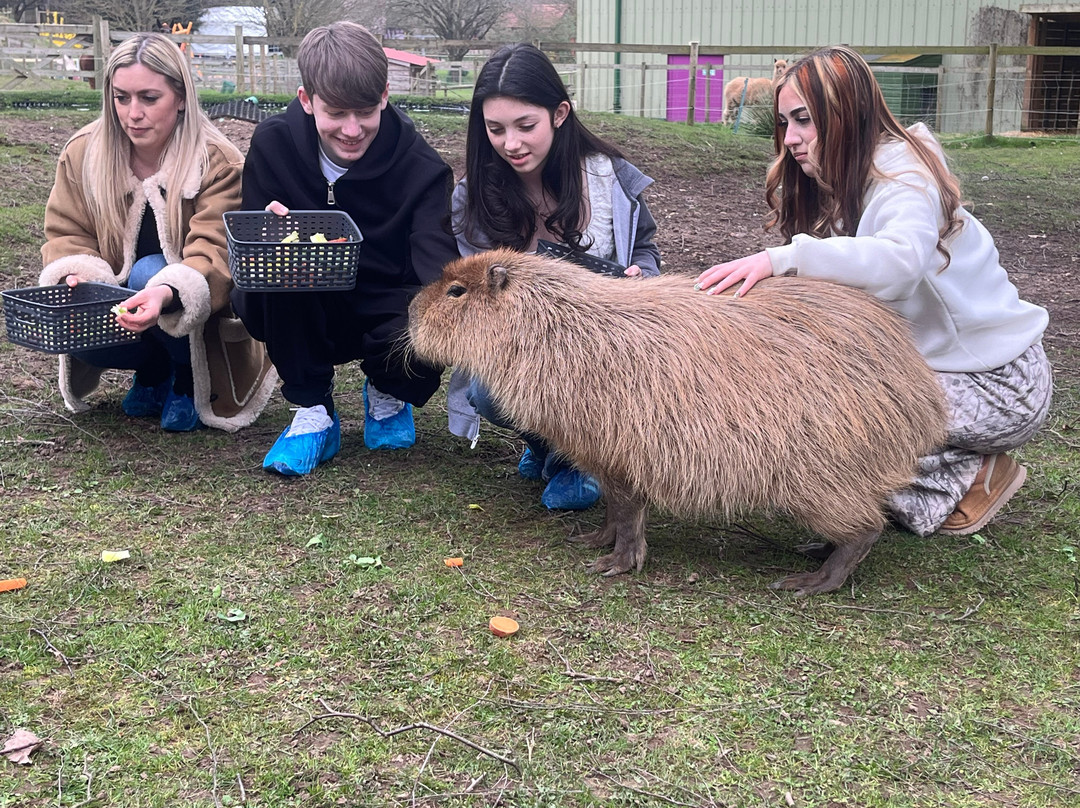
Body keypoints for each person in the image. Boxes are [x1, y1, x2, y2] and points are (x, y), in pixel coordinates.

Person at [695, 45, 1052, 538]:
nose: (792, 140)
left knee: (825, 432)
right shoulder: (854, 181)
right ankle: (945, 470)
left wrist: (786, 258)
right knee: (817, 417)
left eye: (804, 120)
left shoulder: (905, 179)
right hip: (939, 367)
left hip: (996, 381)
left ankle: (974, 476)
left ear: (847, 114)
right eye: (785, 124)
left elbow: (899, 262)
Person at [232, 22, 458, 476]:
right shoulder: (272, 144)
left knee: (436, 311)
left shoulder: (423, 167)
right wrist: (268, 236)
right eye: (336, 113)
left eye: (365, 111)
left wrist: (442, 317)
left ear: (385, 97)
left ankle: (387, 391)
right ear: (306, 100)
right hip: (307, 293)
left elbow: (438, 263)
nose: (352, 130)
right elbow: (247, 245)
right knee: (267, 286)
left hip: (386, 297)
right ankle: (313, 410)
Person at [450, 42, 662, 510]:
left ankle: (585, 462)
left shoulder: (610, 176)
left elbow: (645, 245)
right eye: (495, 129)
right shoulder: (474, 196)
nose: (511, 144)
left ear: (560, 113)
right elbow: (472, 288)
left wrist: (640, 275)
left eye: (526, 126)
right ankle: (549, 444)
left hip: (608, 341)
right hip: (520, 344)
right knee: (489, 393)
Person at [40, 33, 275, 432]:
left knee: (150, 272)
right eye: (121, 98)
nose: (133, 113)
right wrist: (75, 275)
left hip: (201, 322)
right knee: (81, 302)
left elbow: (217, 251)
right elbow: (67, 230)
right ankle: (152, 371)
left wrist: (166, 291)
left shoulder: (217, 161)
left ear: (181, 97)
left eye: (149, 98)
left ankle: (188, 379)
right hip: (119, 301)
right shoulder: (83, 152)